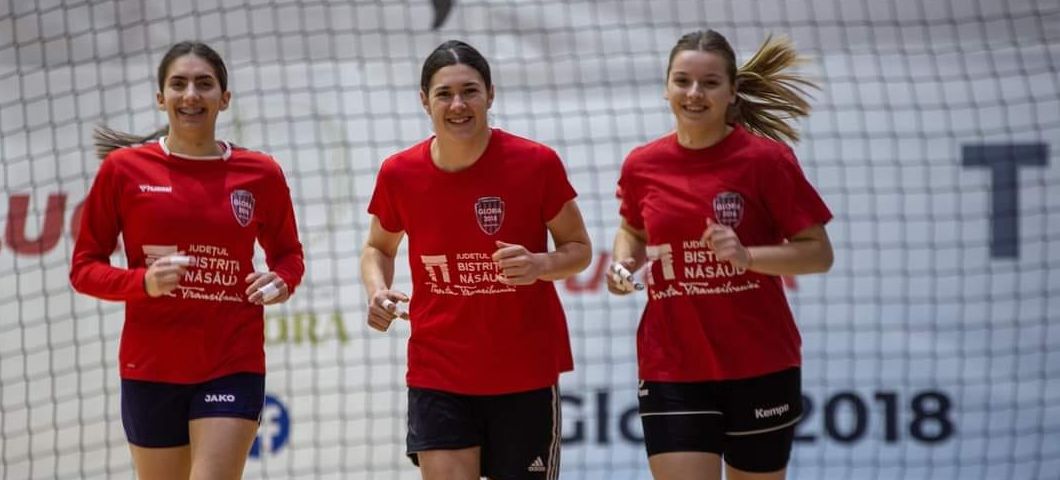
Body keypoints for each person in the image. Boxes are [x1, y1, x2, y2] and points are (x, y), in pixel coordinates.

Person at [70, 41, 304, 480]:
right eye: (178, 84)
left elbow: (288, 255)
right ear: (161, 98)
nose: (191, 94)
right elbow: (84, 268)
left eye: (204, 84)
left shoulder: (261, 173)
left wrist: (281, 281)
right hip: (151, 367)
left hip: (231, 363)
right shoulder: (123, 170)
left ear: (224, 98)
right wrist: (141, 283)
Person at [607, 30, 834, 480]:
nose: (694, 93)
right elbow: (632, 230)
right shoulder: (642, 164)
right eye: (682, 81)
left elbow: (818, 254)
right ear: (667, 87)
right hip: (671, 364)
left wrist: (747, 256)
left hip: (759, 362)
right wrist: (622, 264)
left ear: (732, 92)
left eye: (709, 83)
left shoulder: (766, 161)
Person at [360, 40, 592, 480]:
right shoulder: (399, 173)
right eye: (444, 93)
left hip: (524, 372)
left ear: (490, 94)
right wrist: (378, 290)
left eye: (470, 91)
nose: (458, 105)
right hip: (438, 373)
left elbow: (579, 249)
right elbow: (378, 248)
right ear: (424, 100)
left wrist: (540, 265)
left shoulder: (536, 163)